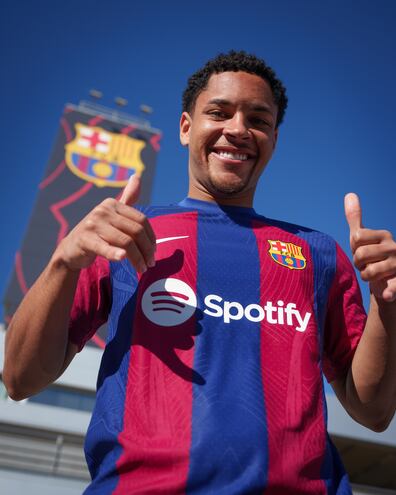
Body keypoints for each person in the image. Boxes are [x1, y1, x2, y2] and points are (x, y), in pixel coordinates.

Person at [3, 51, 396, 494]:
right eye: (219, 112)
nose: (238, 129)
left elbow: (373, 412)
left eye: (258, 118)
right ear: (186, 127)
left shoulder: (318, 253)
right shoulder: (123, 233)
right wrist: (62, 261)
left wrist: (387, 304)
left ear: (273, 138)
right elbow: (20, 379)